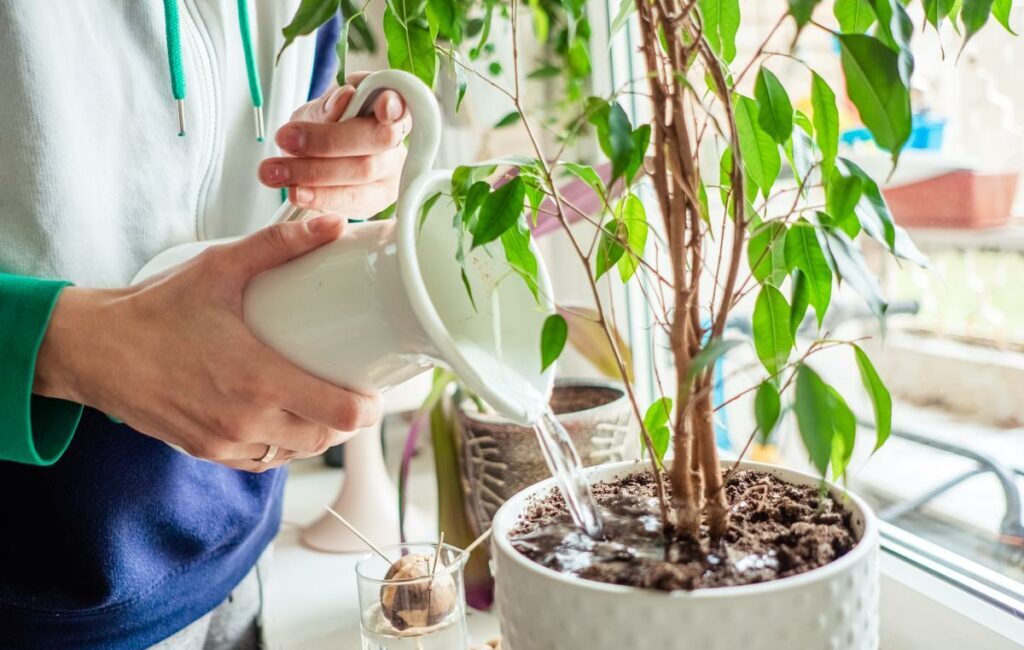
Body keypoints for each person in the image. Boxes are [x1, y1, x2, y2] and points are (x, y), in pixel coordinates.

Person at [0, 3, 408, 648]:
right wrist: (67, 345)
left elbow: (268, 189)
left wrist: (342, 174)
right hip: (36, 592)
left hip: (242, 542)